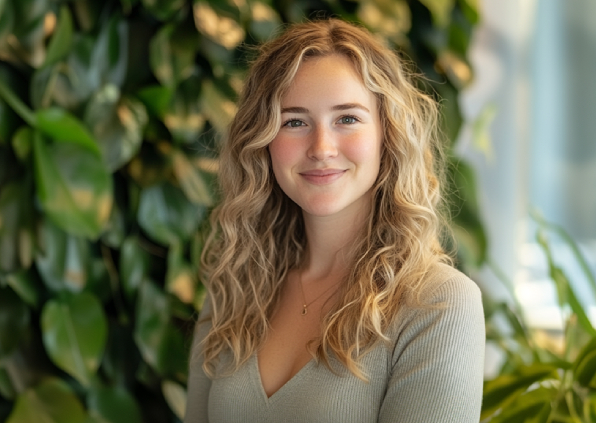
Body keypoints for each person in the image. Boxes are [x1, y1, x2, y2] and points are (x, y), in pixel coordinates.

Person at [185, 18, 485, 423]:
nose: (322, 148)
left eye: (347, 118)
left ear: (388, 134)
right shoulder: (234, 287)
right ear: (263, 141)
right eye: (294, 121)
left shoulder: (439, 305)